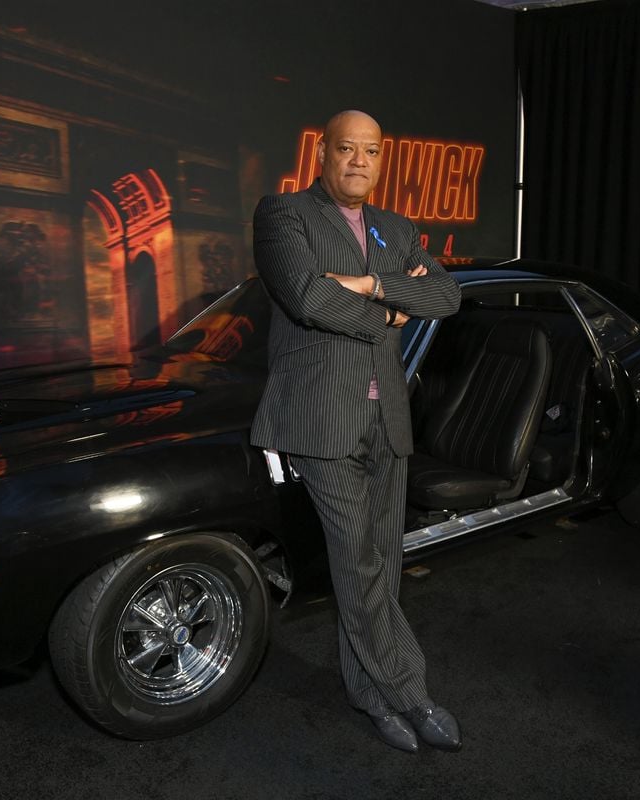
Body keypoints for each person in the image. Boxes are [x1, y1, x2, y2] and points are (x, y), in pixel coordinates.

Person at [251, 110, 463, 753]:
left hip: (387, 420)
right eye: (346, 148)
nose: (359, 162)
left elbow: (449, 295)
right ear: (323, 151)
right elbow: (308, 300)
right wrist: (392, 311)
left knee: (380, 566)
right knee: (359, 561)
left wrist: (371, 284)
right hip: (321, 418)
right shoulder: (283, 214)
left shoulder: (396, 229)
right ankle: (411, 693)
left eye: (370, 151)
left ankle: (368, 695)